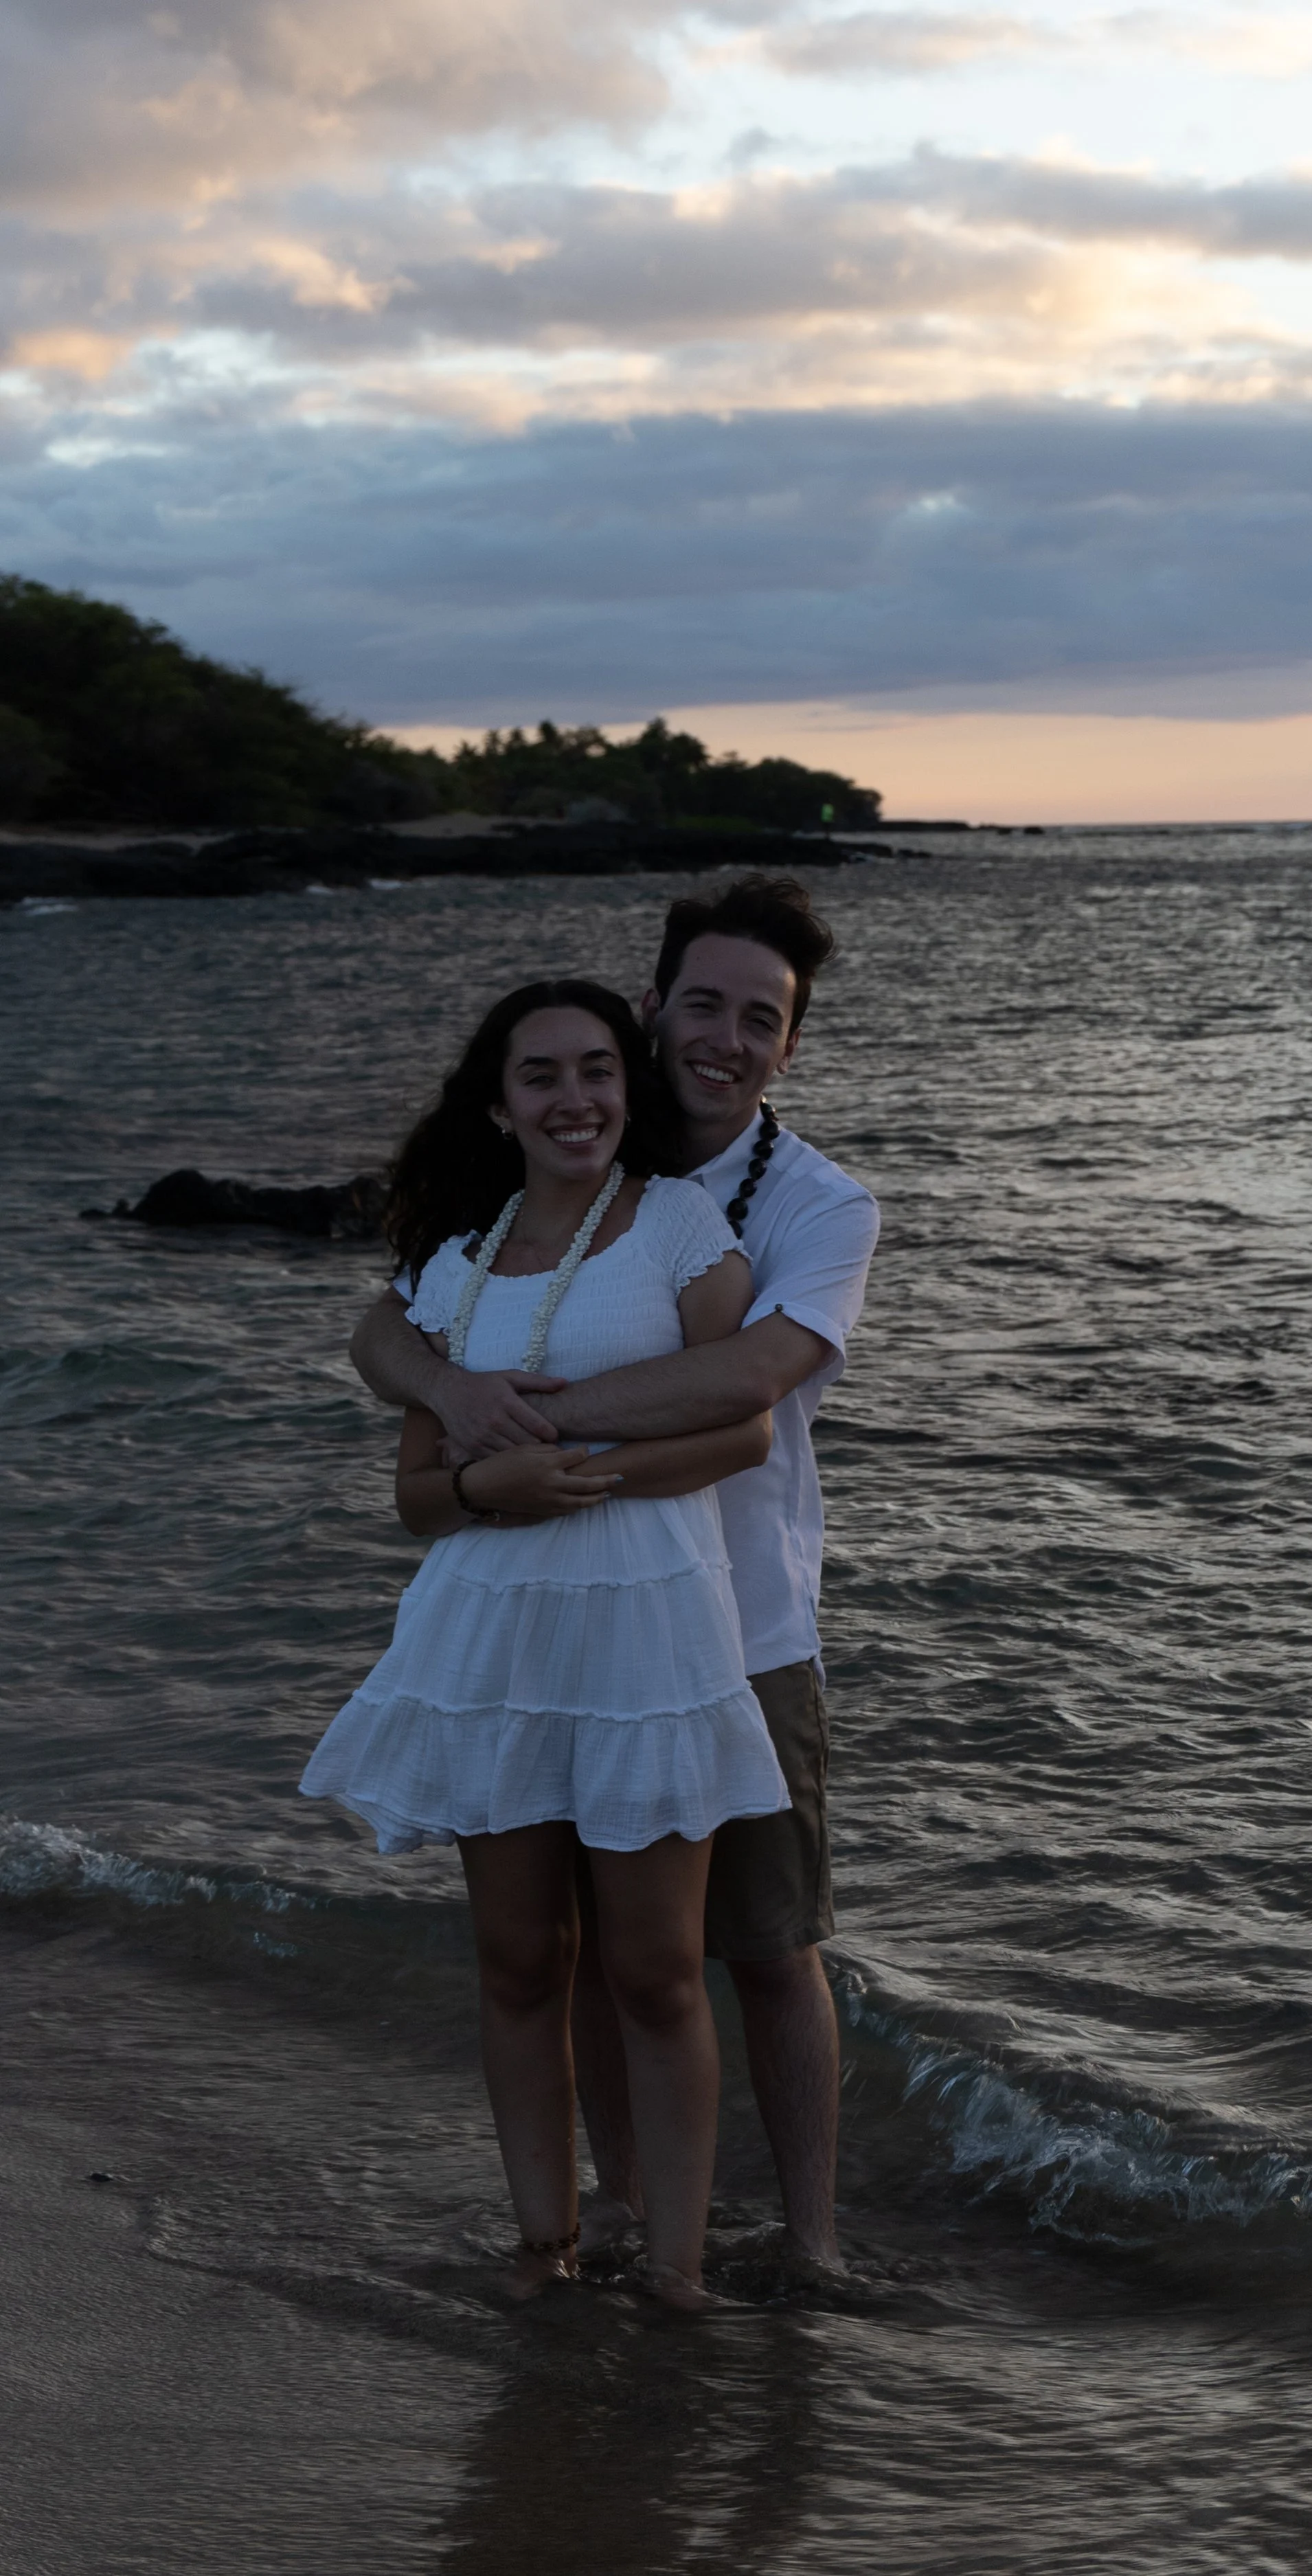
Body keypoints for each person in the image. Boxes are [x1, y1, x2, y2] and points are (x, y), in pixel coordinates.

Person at [349, 877, 880, 2274]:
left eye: (758, 1019)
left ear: (788, 1044)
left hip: (740, 1617)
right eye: (702, 1004)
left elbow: (753, 1382)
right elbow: (390, 1325)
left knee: (767, 1944)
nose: (724, 1037)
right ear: (654, 1011)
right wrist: (451, 1398)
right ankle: (627, 2214)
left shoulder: (812, 1204)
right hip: (546, 1629)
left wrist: (525, 1431)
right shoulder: (542, 1180)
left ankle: (812, 2245)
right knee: (570, 1950)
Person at [302, 977, 790, 2307]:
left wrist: (567, 1476)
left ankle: (676, 2269)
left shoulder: (677, 1224)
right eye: (542, 1076)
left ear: (626, 1088)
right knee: (521, 1961)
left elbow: (745, 1428)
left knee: (654, 1969)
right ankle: (545, 2243)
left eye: (596, 1071)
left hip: (648, 1631)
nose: (575, 1098)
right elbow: (417, 1497)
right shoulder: (452, 1263)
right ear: (497, 1104)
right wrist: (484, 1487)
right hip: (492, 1643)